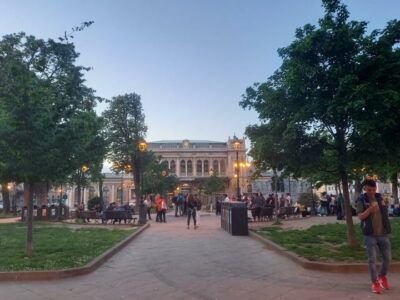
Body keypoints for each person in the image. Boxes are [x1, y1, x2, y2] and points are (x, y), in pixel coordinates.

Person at [356, 179, 392, 294]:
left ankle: (382, 277)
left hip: (383, 233)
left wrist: (385, 206)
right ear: (365, 189)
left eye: (373, 189)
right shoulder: (361, 200)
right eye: (369, 189)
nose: (371, 192)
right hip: (369, 235)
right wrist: (370, 210)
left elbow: (385, 214)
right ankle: (375, 282)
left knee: (387, 258)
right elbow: (360, 217)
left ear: (376, 189)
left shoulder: (380, 199)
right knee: (372, 260)